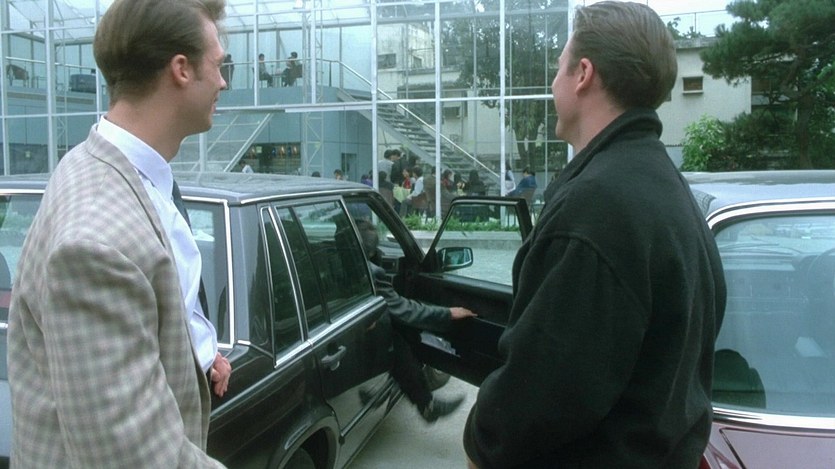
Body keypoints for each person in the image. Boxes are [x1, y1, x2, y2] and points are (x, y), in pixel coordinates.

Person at [463, 2, 726, 468]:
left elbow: (536, 400)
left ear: (583, 74)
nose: (553, 83)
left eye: (557, 67)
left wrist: (480, 445)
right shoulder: (664, 184)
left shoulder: (598, 207)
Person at [6, 0, 231, 467]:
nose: (223, 82)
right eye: (218, 65)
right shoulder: (96, 244)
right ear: (182, 70)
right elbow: (134, 457)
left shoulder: (115, 165)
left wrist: (198, 355)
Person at [356, 220, 475, 422]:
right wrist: (448, 313)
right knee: (396, 337)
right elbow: (404, 310)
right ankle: (426, 405)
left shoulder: (324, 262)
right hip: (350, 338)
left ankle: (385, 392)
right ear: (371, 252)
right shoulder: (372, 273)